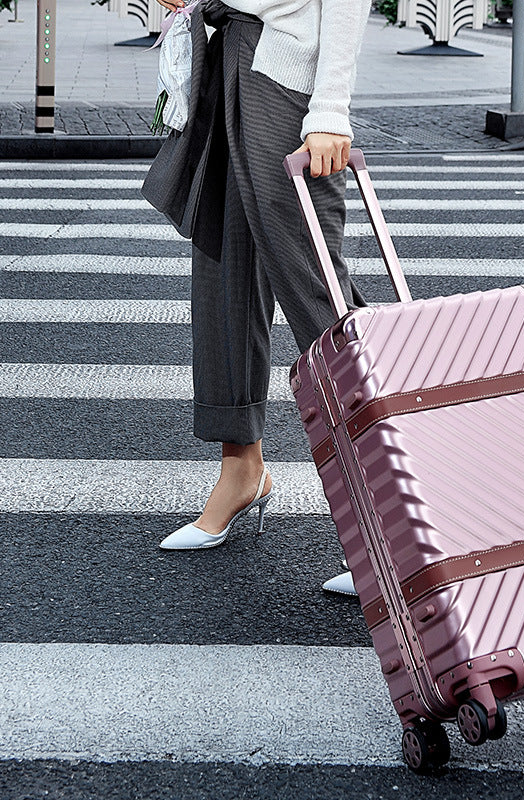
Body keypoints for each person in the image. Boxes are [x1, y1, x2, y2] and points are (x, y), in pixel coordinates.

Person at [142, 0, 369, 595]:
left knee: (318, 297)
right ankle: (241, 468)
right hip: (228, 64)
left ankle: (385, 517)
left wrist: (331, 109)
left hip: (286, 80)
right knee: (224, 278)